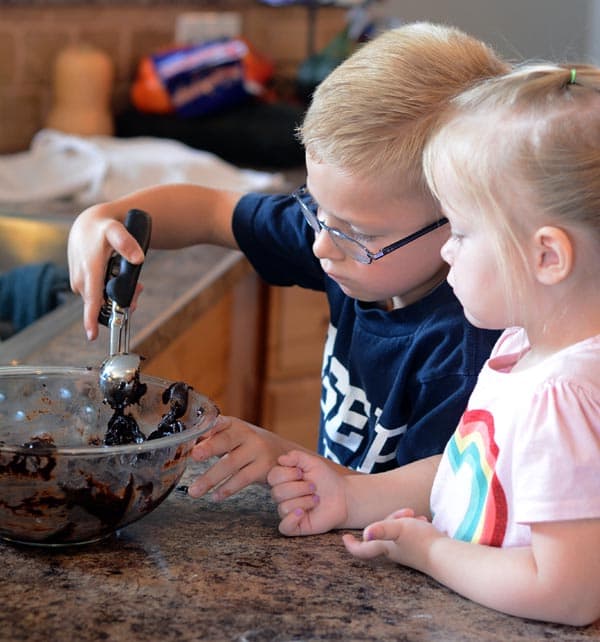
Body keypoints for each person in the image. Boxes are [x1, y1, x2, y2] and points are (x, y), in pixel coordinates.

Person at [67, 22, 507, 501]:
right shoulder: (346, 242)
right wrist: (104, 218)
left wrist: (285, 460)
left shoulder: (468, 351)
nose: (321, 245)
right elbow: (210, 212)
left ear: (462, 220)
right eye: (316, 207)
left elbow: (440, 504)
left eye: (360, 233)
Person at [267, 62, 600, 626]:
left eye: (463, 232)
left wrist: (432, 553)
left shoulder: (563, 397)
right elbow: (481, 467)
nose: (447, 251)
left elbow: (567, 593)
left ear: (547, 256)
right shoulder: (526, 346)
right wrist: (353, 498)